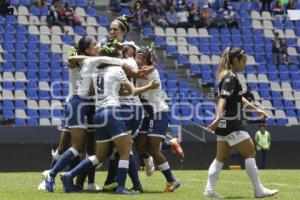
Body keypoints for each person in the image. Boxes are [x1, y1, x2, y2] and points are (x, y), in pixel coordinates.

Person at [60, 40, 159, 194]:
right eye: (120, 53)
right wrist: (149, 87)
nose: (122, 55)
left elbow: (92, 91)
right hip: (112, 111)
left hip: (99, 114)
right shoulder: (117, 70)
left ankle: (69, 175)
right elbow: (132, 90)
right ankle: (121, 187)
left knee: (99, 155)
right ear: (115, 56)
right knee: (126, 151)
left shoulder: (96, 71)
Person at [203, 47, 278, 198]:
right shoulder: (230, 77)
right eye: (244, 61)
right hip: (231, 123)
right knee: (250, 152)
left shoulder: (227, 76)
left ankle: (209, 190)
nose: (245, 64)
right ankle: (258, 190)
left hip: (224, 124)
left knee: (220, 157)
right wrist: (218, 117)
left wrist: (257, 109)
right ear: (236, 60)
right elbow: (222, 99)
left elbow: (239, 98)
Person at [135, 44, 180, 192]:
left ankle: (172, 180)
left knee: (154, 150)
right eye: (136, 56)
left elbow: (146, 70)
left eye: (139, 56)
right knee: (140, 144)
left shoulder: (149, 71)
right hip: (147, 113)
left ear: (146, 58)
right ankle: (169, 144)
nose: (136, 59)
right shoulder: (138, 69)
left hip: (158, 112)